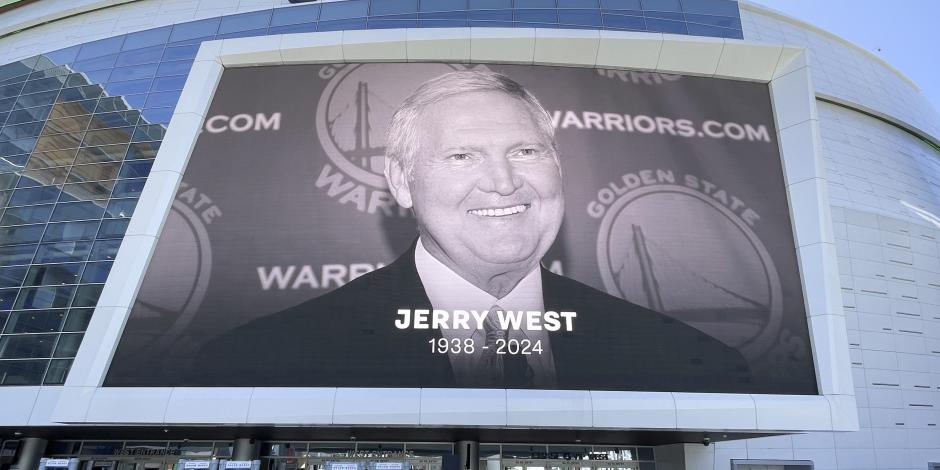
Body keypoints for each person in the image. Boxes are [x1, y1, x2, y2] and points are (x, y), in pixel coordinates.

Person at [192, 71, 751, 392]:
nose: (504, 183)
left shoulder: (689, 362)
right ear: (402, 182)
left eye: (526, 151)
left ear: (558, 165)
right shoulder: (259, 363)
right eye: (462, 156)